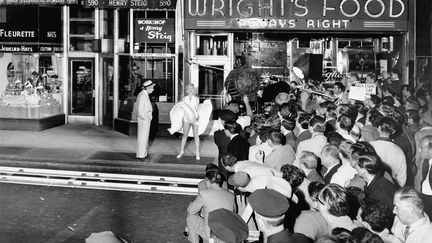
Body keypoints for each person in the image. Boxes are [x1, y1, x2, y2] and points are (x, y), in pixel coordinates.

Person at [186, 169, 236, 243]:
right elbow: (234, 212)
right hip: (227, 233)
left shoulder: (204, 194)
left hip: (212, 233)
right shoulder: (231, 196)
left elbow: (191, 210)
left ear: (208, 182)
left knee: (191, 217)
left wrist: (192, 203)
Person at [177, 84, 201, 160]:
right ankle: (181, 151)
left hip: (194, 118)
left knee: (196, 136)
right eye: (189, 89)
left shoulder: (196, 99)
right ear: (186, 90)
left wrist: (197, 116)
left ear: (193, 89)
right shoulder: (184, 99)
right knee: (185, 135)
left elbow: (197, 109)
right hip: (186, 118)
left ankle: (197, 152)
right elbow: (182, 109)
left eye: (192, 89)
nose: (190, 90)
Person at [136, 80, 155, 161]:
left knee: (144, 137)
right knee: (143, 137)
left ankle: (144, 153)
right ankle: (141, 155)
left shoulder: (144, 94)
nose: (153, 89)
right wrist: (144, 118)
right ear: (148, 88)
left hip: (145, 119)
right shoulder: (143, 96)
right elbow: (140, 110)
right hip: (144, 120)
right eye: (152, 88)